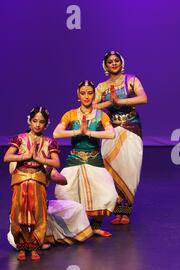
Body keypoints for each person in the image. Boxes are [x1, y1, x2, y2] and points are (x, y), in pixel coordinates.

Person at [53, 80, 117, 237]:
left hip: (94, 160)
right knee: (64, 192)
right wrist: (78, 132)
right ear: (78, 95)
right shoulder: (71, 114)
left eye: (89, 93)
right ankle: (79, 226)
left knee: (108, 195)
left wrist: (88, 132)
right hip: (74, 159)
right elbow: (56, 133)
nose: (86, 96)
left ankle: (95, 226)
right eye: (83, 93)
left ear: (94, 95)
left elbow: (111, 134)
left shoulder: (101, 115)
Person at [94, 51, 148, 225]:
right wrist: (110, 103)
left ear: (121, 63)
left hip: (131, 128)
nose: (114, 63)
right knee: (111, 169)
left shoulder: (131, 80)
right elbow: (93, 106)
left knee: (129, 169)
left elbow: (143, 98)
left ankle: (127, 211)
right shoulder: (101, 87)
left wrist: (121, 102)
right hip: (112, 130)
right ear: (106, 66)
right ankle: (118, 211)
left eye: (117, 60)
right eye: (110, 62)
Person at [3, 107, 60, 261]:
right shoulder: (19, 138)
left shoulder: (49, 142)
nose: (37, 125)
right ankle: (22, 246)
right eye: (35, 121)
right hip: (20, 178)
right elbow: (7, 157)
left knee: (39, 214)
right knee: (18, 213)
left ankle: (34, 246)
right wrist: (25, 156)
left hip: (38, 179)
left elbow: (56, 162)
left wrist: (39, 159)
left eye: (41, 122)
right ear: (29, 121)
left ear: (46, 124)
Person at [7, 168, 93, 249]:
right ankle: (36, 242)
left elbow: (63, 181)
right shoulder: (17, 162)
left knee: (76, 208)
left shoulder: (44, 164)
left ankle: (43, 239)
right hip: (23, 209)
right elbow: (12, 171)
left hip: (43, 205)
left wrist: (48, 170)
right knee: (16, 241)